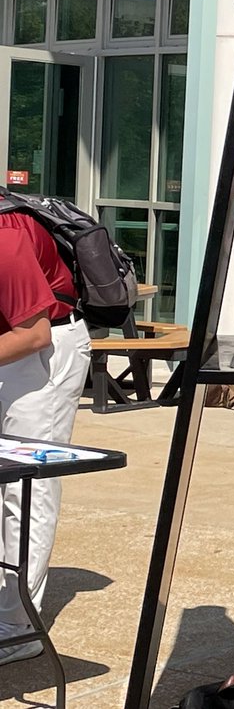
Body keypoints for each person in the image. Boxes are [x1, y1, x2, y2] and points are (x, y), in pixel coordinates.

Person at [0, 207, 91, 666]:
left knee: (25, 488)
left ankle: (17, 628)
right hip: (8, 344)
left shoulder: (5, 237)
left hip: (43, 351)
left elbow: (32, 334)